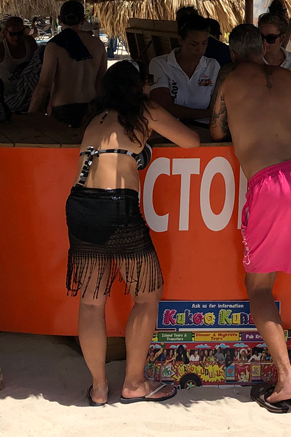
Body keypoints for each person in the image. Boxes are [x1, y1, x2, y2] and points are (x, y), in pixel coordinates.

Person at [210, 25, 291, 412]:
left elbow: (217, 131)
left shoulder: (230, 79)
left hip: (272, 182)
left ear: (233, 54)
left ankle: (284, 377)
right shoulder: (286, 77)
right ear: (265, 49)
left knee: (260, 287)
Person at [65, 61, 200, 405]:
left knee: (92, 301)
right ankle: (134, 383)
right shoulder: (143, 111)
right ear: (136, 87)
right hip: (118, 205)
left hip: (81, 204)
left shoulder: (96, 118)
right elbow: (191, 141)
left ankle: (98, 388)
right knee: (147, 294)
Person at [30, 0, 106, 126]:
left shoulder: (54, 46)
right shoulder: (98, 45)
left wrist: (30, 115)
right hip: (90, 108)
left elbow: (43, 87)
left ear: (59, 19)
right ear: (83, 20)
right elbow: (101, 83)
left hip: (63, 109)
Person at [148, 16, 220, 122]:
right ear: (181, 40)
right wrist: (209, 113)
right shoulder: (160, 64)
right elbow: (162, 106)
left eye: (204, 43)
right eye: (194, 44)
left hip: (204, 129)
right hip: (170, 128)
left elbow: (219, 103)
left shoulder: (213, 66)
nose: (199, 49)